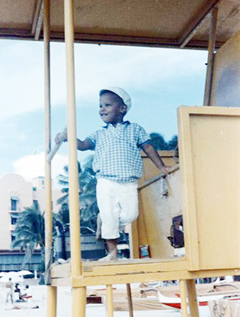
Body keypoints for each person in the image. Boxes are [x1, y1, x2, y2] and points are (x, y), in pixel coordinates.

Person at [55, 87, 168, 261]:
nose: (102, 109)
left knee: (131, 215)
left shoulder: (135, 129)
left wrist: (162, 167)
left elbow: (148, 147)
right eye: (100, 106)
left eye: (107, 105)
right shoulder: (100, 133)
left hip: (129, 181)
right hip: (105, 180)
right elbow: (83, 144)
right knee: (109, 217)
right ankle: (112, 252)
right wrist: (67, 137)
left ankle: (105, 218)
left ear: (122, 109)